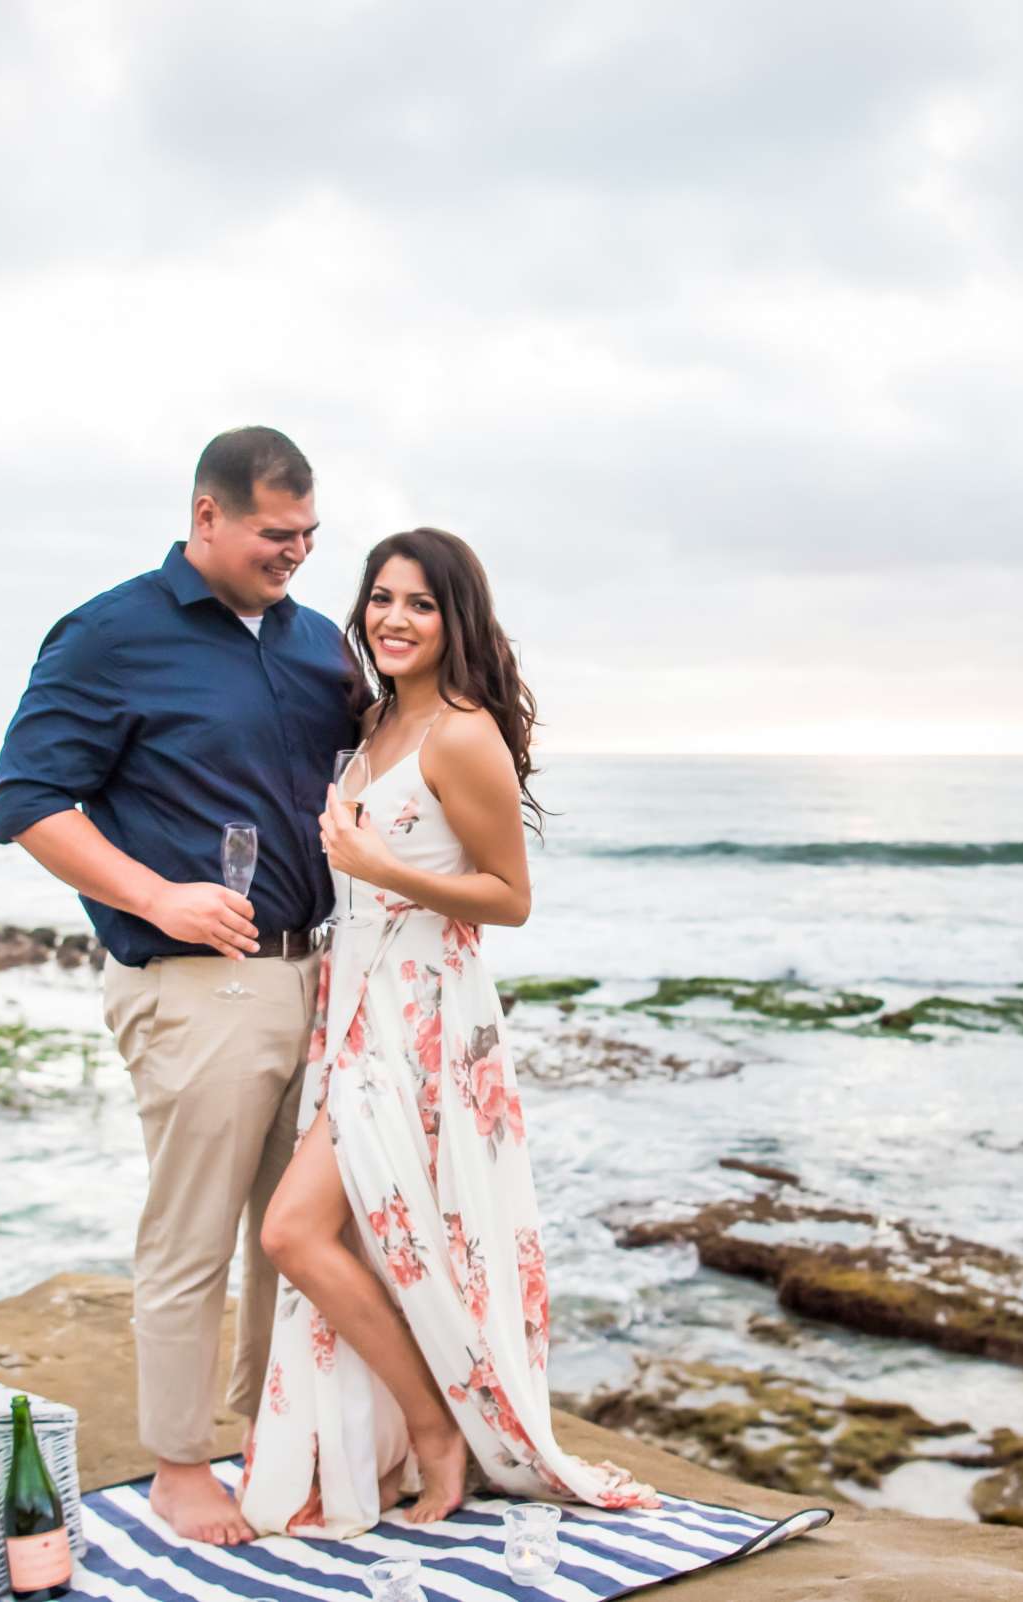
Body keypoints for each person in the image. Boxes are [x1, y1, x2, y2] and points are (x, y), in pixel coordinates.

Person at [239, 528, 656, 1537]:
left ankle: (435, 1436)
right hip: (355, 1009)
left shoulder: (462, 734)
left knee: (293, 1230)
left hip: (422, 1020)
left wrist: (385, 872)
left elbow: (509, 897)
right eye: (381, 597)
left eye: (420, 604)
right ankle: (405, 1438)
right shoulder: (376, 723)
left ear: (455, 617)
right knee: (367, 1235)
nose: (392, 618)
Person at [0, 427, 354, 1546]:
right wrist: (159, 897)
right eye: (272, 534)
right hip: (196, 984)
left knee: (294, 1236)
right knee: (192, 1236)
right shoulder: (109, 635)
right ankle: (180, 1467)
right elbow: (28, 800)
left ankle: (270, 1434)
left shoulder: (319, 644)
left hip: (317, 975)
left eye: (308, 536)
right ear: (207, 516)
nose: (293, 553)